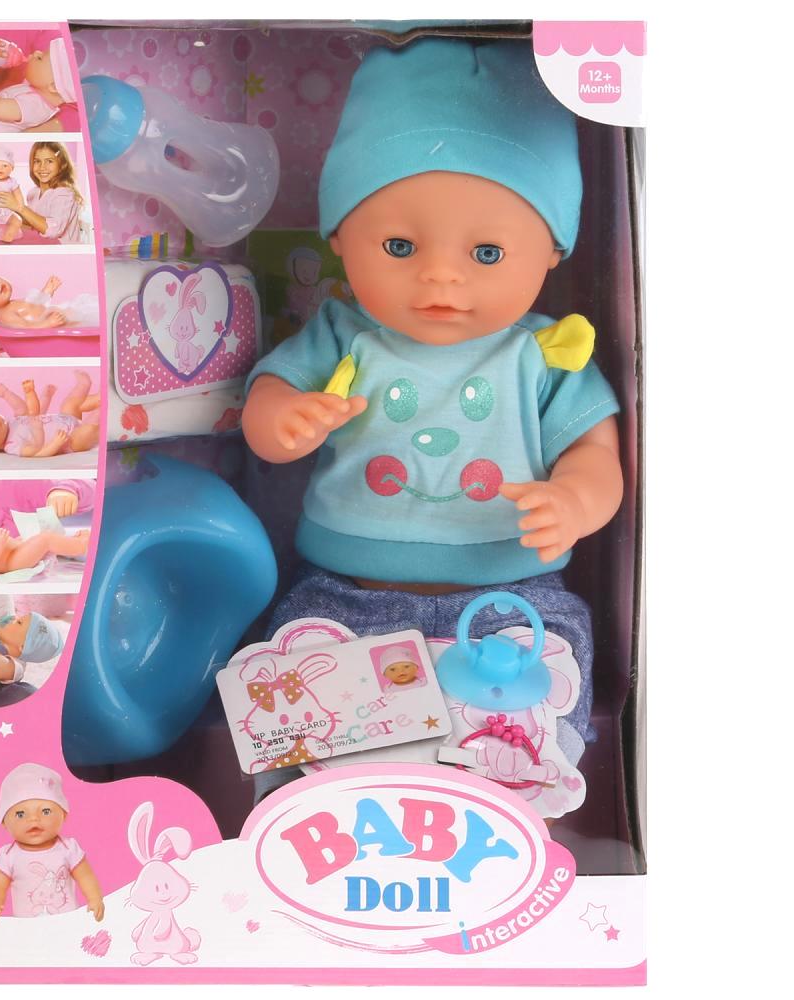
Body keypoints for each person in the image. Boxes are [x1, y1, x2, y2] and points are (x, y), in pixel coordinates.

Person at [242, 40, 623, 787]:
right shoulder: (341, 335)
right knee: (295, 705)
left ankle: (493, 802)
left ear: (552, 251)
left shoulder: (545, 353)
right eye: (399, 245)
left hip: (511, 601)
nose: (440, 275)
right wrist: (285, 420)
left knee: (537, 709)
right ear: (339, 238)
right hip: (345, 595)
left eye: (487, 254)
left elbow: (596, 454)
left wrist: (574, 502)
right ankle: (323, 807)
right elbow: (265, 412)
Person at [0, 763, 105, 922]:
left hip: (66, 922)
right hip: (27, 927)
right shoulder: (9, 855)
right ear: (4, 822)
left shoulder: (67, 848)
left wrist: (95, 898)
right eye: (20, 814)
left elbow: (85, 876)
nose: (34, 819)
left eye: (45, 811)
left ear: (63, 814)